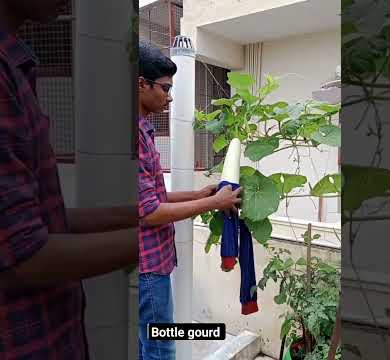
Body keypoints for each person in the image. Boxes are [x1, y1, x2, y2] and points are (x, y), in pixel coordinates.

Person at [0, 1, 138, 358]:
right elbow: (23, 257)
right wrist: (152, 235)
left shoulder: (15, 65)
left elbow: (43, 220)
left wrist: (146, 215)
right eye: (164, 87)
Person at [138, 42, 242, 360]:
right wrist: (214, 203)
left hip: (152, 262)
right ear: (141, 83)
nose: (170, 97)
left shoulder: (145, 131)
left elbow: (152, 196)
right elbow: (149, 212)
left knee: (148, 345)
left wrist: (198, 194)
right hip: (147, 267)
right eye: (166, 88)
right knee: (160, 347)